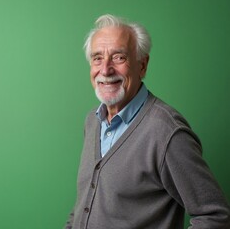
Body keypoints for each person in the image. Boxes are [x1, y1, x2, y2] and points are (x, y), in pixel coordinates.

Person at [64, 14, 230, 229]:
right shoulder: (93, 121)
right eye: (97, 58)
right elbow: (86, 202)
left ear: (142, 65)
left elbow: (214, 216)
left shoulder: (166, 131)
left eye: (118, 57)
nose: (105, 70)